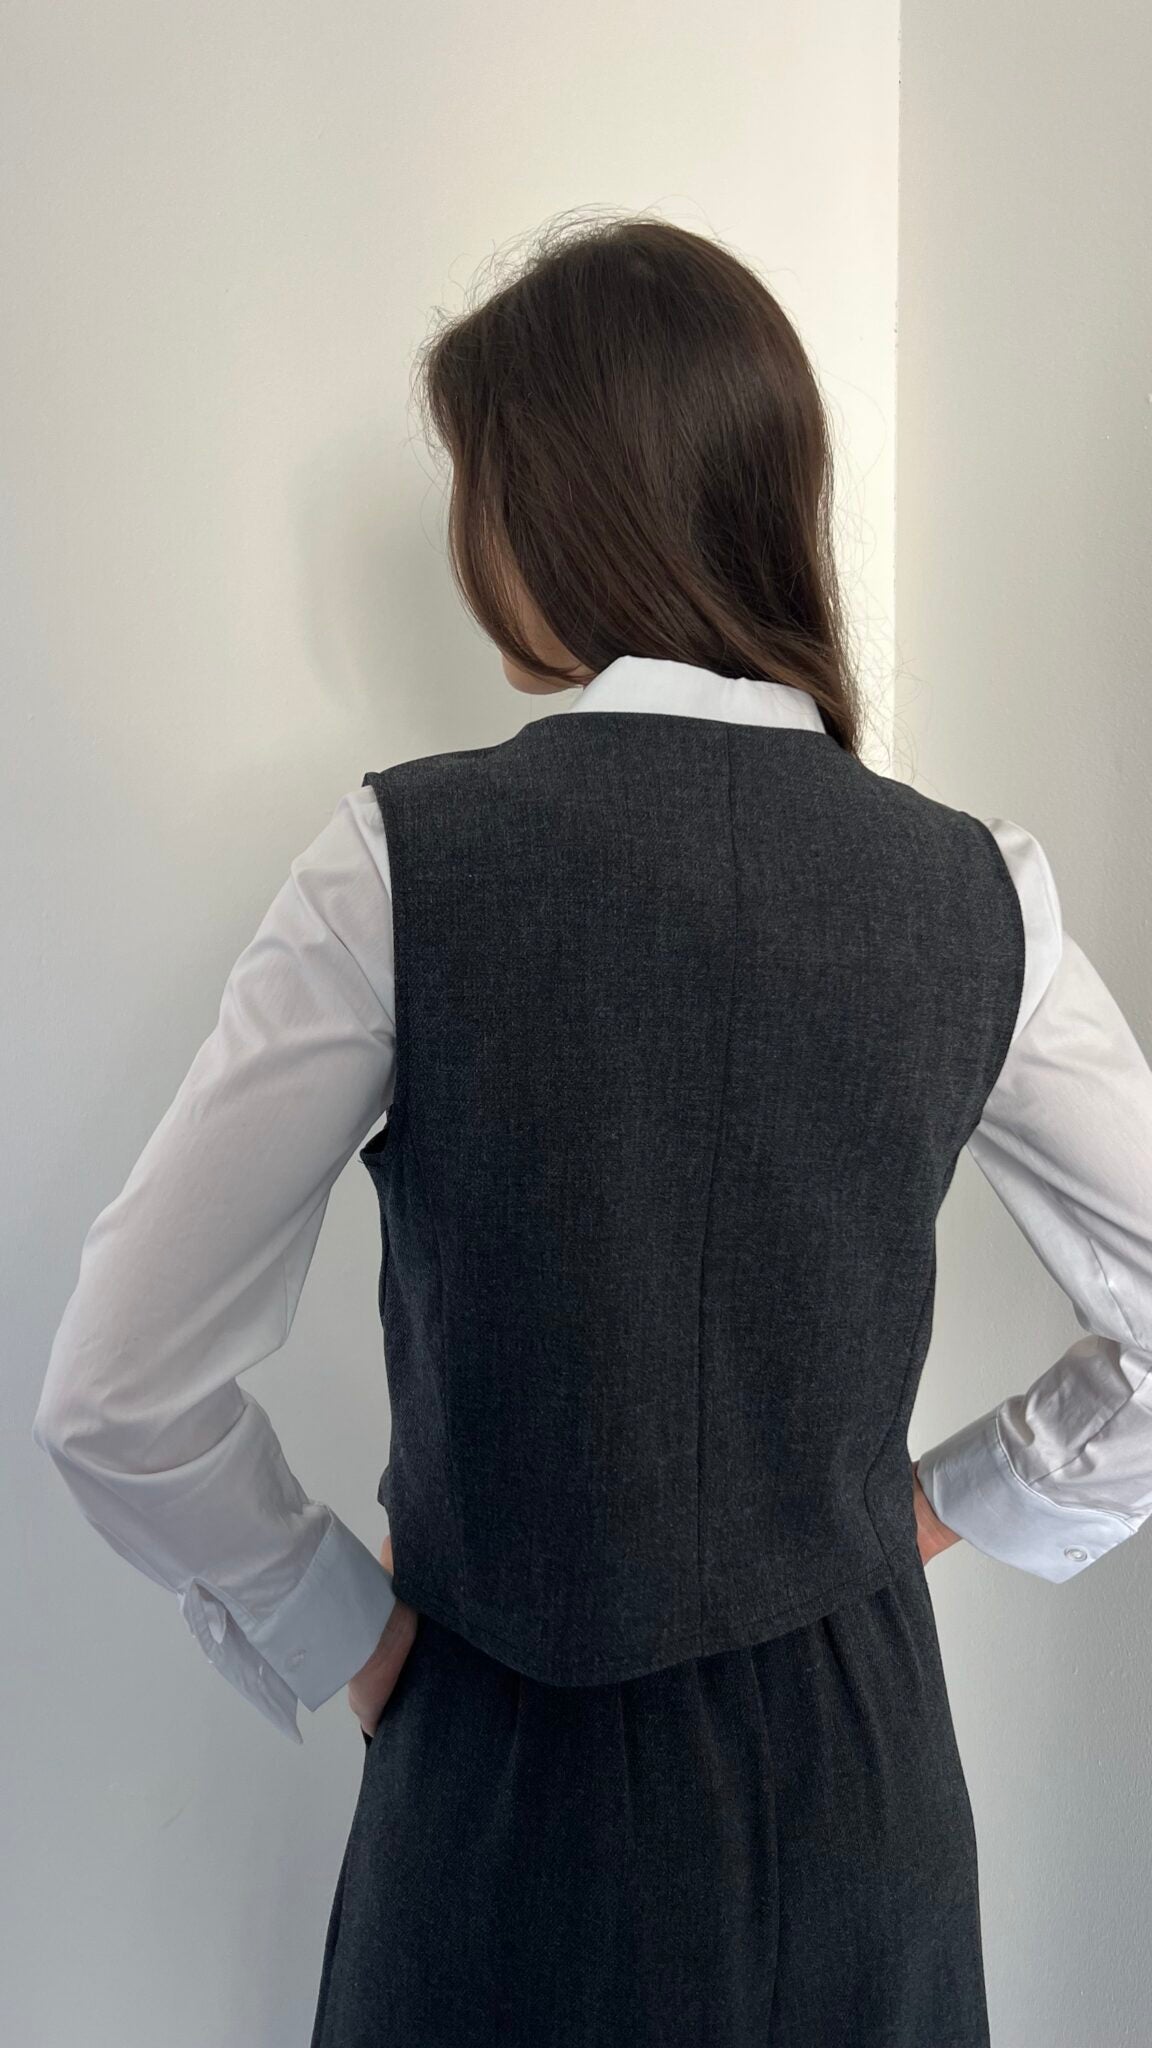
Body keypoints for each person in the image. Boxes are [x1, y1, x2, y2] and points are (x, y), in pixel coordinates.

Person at [31, 214, 1152, 2048]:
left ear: (558, 507)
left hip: (504, 1795)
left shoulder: (404, 864)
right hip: (863, 1804)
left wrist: (346, 1634)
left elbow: (114, 1390)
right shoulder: (978, 892)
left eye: (478, 484)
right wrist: (935, 1513)